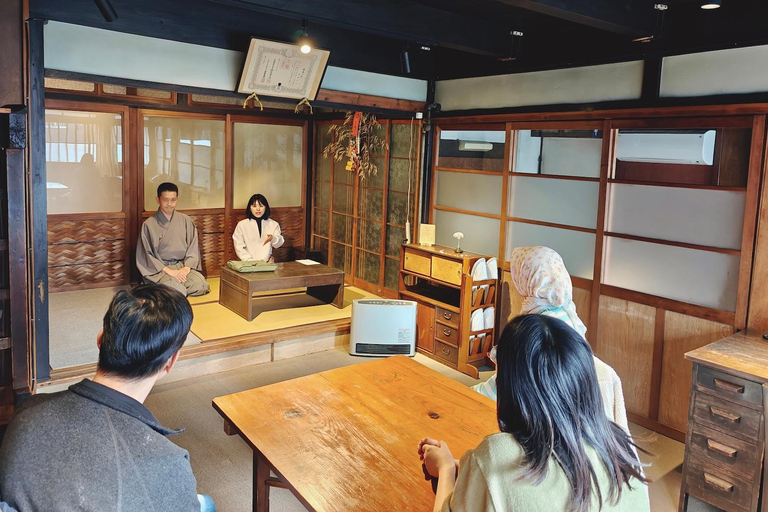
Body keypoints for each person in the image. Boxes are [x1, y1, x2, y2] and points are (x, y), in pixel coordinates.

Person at [0, 284, 215, 512]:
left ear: (100, 339)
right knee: (206, 504)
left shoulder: (27, 411)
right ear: (170, 362)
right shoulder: (167, 463)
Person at [419, 314, 650, 512]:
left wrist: (446, 469)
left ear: (511, 385)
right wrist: (467, 466)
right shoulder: (618, 444)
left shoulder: (494, 455)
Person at [473, 246, 629, 433]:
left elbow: (509, 387)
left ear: (527, 278)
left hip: (539, 418)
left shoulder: (538, 329)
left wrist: (469, 394)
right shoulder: (565, 309)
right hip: (568, 413)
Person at [137, 182, 210, 297]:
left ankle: (165, 289)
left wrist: (186, 268)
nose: (170, 204)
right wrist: (169, 271)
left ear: (177, 199)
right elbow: (147, 255)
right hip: (161, 269)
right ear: (158, 200)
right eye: (165, 200)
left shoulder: (186, 220)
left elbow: (193, 247)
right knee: (176, 290)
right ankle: (169, 288)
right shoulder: (149, 224)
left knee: (200, 285)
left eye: (173, 200)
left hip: (181, 266)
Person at [232, 193, 284, 263]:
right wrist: (250, 261)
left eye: (261, 206)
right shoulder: (242, 225)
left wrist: (273, 238)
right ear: (250, 208)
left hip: (267, 263)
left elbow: (279, 243)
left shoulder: (273, 224)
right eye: (254, 206)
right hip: (248, 264)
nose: (258, 209)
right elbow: (239, 247)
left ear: (265, 207)